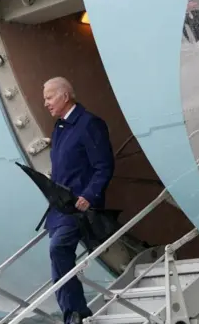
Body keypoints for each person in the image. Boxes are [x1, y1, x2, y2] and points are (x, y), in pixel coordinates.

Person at [42, 77, 115, 324]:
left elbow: (104, 166)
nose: (46, 103)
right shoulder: (60, 128)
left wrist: (90, 195)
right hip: (62, 207)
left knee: (59, 249)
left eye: (49, 97)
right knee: (57, 256)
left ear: (65, 95)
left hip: (80, 207)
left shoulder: (89, 125)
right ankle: (71, 312)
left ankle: (75, 313)